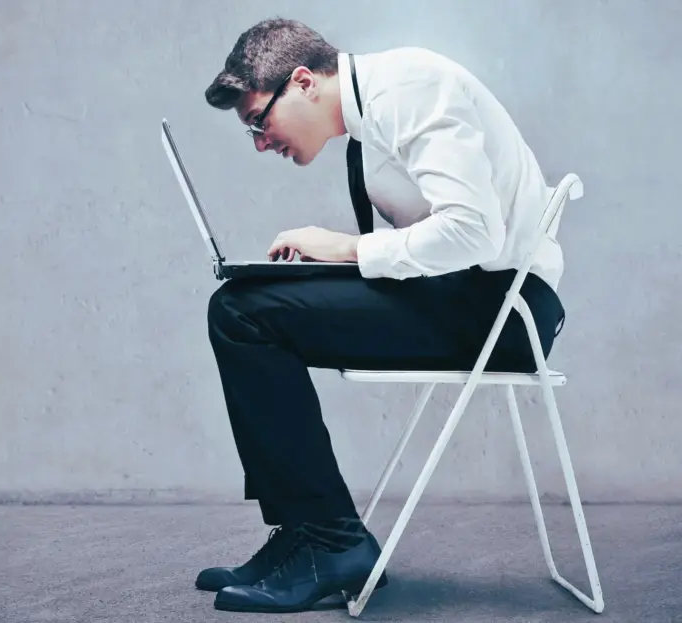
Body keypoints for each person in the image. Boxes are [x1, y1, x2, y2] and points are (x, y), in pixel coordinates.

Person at [197, 17, 568, 614]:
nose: (262, 142)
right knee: (243, 305)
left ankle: (330, 541)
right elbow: (423, 248)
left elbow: (474, 232)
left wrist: (342, 248)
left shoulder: (411, 88)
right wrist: (319, 269)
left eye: (259, 123)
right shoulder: (369, 120)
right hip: (464, 296)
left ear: (303, 82)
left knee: (244, 315)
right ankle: (303, 531)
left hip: (505, 312)